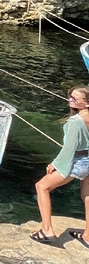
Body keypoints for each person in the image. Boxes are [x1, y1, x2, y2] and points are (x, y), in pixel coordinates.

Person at [32, 86, 89, 246]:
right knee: (87, 196)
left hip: (77, 162)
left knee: (41, 186)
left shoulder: (75, 122)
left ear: (87, 103)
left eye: (75, 99)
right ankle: (88, 236)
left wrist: (55, 164)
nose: (70, 100)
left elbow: (69, 149)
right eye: (70, 97)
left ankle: (47, 231)